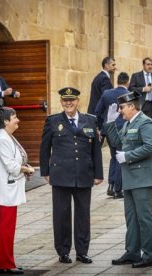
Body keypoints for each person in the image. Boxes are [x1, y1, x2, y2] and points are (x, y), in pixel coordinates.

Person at [39, 87, 104, 264]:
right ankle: (63, 251)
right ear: (61, 102)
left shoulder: (90, 120)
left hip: (84, 174)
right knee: (61, 215)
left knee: (83, 215)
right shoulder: (53, 121)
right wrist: (45, 171)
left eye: (72, 100)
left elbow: (96, 150)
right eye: (65, 100)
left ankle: (82, 251)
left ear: (78, 101)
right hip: (60, 175)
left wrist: (98, 174)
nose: (68, 103)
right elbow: (44, 148)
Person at [104, 91, 152, 268]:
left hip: (142, 178)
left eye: (122, 107)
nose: (120, 111)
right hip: (130, 178)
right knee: (132, 218)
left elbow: (150, 147)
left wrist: (128, 156)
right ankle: (133, 252)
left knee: (145, 218)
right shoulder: (129, 124)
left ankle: (150, 254)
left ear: (132, 106)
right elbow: (116, 142)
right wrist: (111, 123)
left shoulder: (145, 122)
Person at [0, 107, 35, 275]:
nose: (17, 120)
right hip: (6, 189)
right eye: (14, 117)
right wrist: (27, 170)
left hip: (9, 187)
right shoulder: (2, 139)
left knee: (8, 227)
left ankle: (6, 262)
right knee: (6, 227)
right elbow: (11, 166)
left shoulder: (6, 136)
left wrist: (24, 166)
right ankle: (5, 263)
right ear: (6, 121)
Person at [95, 72, 130, 199]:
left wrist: (99, 127)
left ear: (117, 81)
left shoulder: (107, 93)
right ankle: (118, 189)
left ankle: (111, 185)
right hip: (122, 129)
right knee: (120, 156)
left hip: (108, 130)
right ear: (127, 82)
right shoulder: (128, 94)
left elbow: (97, 111)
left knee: (113, 156)